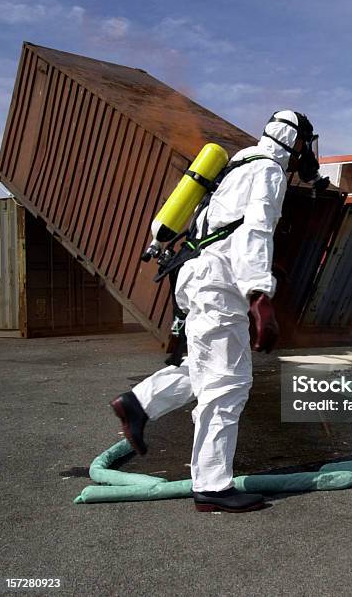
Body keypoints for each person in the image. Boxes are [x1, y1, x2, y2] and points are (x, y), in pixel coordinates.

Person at [110, 111, 324, 512]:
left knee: (206, 367)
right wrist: (260, 295)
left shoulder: (240, 161)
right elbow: (255, 232)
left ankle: (138, 403)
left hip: (199, 277)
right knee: (228, 383)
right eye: (305, 146)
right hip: (220, 284)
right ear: (296, 144)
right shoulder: (269, 172)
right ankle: (211, 485)